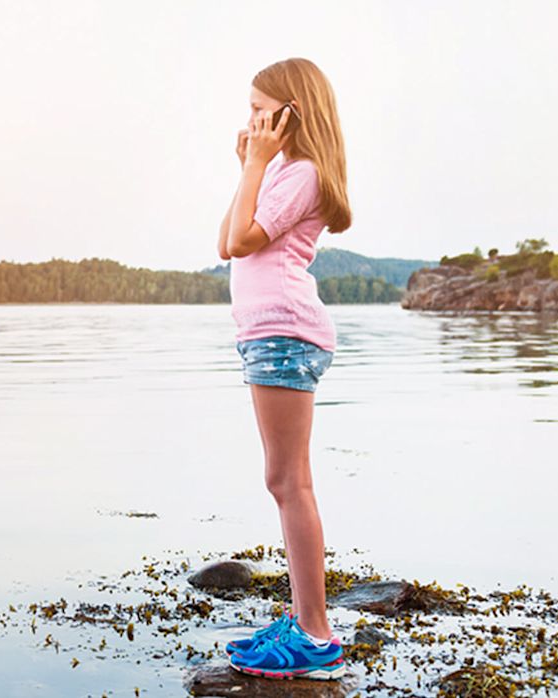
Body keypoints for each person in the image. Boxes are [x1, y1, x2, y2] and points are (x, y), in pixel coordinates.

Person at [215, 57, 353, 681]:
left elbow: (242, 243)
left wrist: (255, 165)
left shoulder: (304, 174)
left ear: (291, 112)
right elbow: (225, 240)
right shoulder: (279, 171)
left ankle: (316, 636)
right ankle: (304, 622)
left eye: (258, 109)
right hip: (267, 335)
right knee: (283, 480)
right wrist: (249, 167)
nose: (249, 120)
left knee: (289, 482)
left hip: (285, 333)